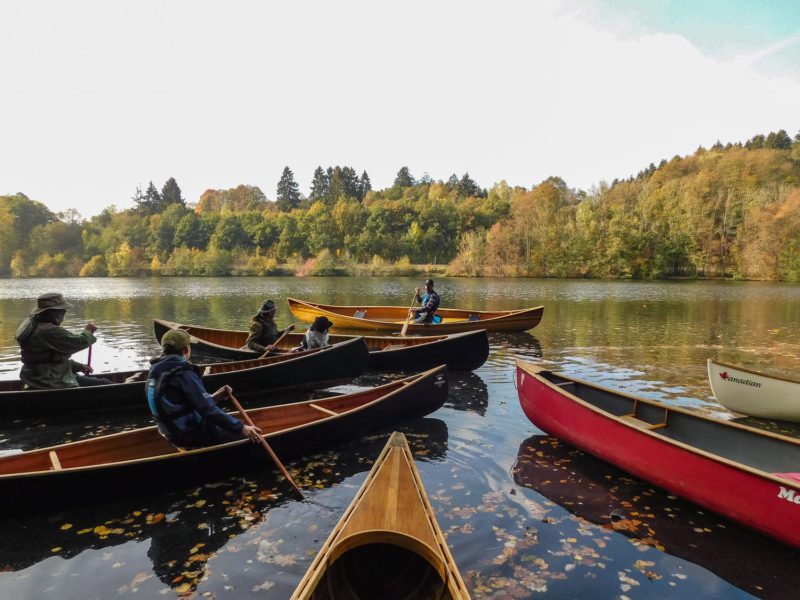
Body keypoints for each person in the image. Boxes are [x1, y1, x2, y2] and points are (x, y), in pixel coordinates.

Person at [146, 329, 262, 448]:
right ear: (186, 349)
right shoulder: (183, 373)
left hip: (173, 435)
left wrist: (214, 397)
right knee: (248, 437)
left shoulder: (155, 372)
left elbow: (182, 405)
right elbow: (208, 411)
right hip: (191, 436)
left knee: (226, 424)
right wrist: (241, 427)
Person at [15, 292, 111, 389]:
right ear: (54, 312)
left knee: (101, 382)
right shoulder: (49, 331)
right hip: (52, 381)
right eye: (63, 311)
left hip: (40, 376)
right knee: (106, 384)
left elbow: (47, 358)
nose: (64, 314)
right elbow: (79, 342)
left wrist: (78, 366)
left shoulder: (33, 325)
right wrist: (88, 331)